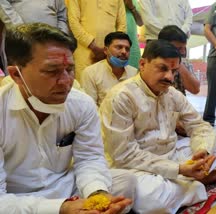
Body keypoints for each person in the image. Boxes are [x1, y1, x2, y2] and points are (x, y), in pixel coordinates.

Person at [0, 23, 135, 213]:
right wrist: (61, 208)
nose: (65, 82)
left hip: (65, 187)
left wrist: (97, 194)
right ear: (16, 75)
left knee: (125, 181)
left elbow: (89, 158)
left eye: (70, 69)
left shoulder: (81, 104)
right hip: (17, 198)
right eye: (52, 71)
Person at [99, 40, 216, 213]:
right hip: (136, 167)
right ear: (142, 64)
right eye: (162, 68)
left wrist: (202, 152)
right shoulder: (122, 97)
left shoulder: (172, 94)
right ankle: (198, 182)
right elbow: (124, 155)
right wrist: (179, 169)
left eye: (174, 71)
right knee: (152, 199)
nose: (170, 77)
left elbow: (200, 126)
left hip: (172, 155)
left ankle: (186, 181)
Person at [67, 0, 126, 81]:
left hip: (110, 56)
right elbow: (73, 22)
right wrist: (93, 46)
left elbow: (122, 25)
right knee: (84, 89)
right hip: (85, 53)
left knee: (108, 89)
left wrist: (110, 49)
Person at [82, 32, 137, 106]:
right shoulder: (91, 72)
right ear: (106, 50)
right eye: (119, 47)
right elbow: (89, 107)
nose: (124, 52)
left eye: (127, 49)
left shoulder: (135, 73)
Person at [158, 25, 200, 95]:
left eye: (184, 48)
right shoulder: (152, 62)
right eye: (179, 48)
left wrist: (178, 64)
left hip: (178, 104)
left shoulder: (184, 62)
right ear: (164, 45)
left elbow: (195, 90)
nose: (183, 52)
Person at [124, 0, 143, 69]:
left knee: (134, 76)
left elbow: (140, 22)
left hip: (132, 48)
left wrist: (132, 7)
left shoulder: (133, 1)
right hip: (115, 46)